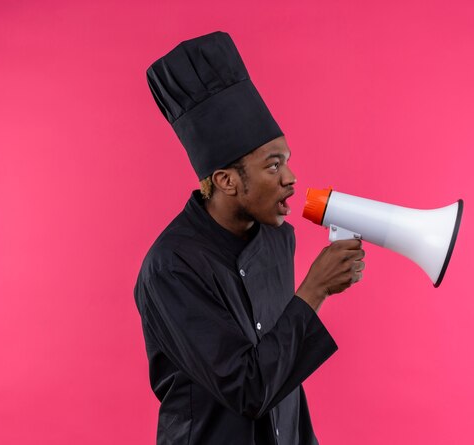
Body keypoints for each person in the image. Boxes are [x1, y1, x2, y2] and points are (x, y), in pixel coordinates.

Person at [134, 31, 365, 445]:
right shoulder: (171, 267)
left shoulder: (279, 240)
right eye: (273, 166)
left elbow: (285, 379)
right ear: (225, 180)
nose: (291, 179)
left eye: (287, 161)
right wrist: (314, 290)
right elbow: (248, 387)